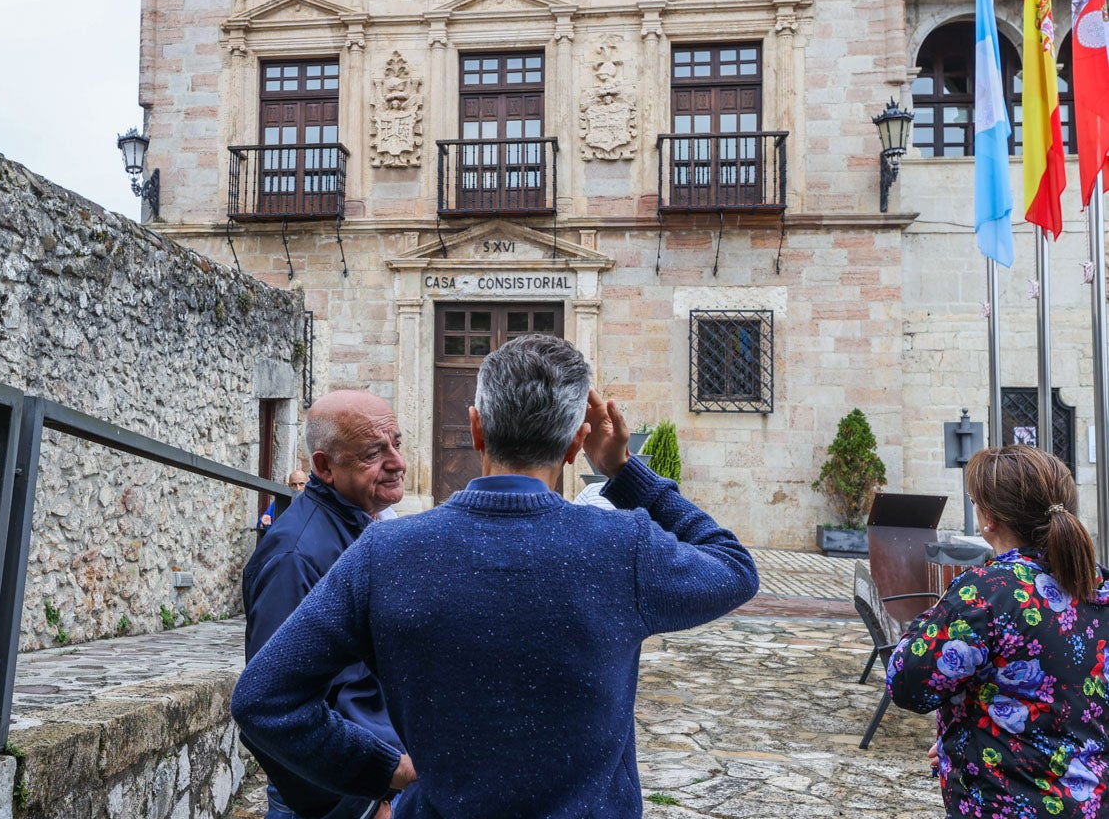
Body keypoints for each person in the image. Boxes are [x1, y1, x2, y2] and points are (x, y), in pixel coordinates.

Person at [231, 334, 759, 819]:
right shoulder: (623, 548)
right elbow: (734, 567)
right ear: (577, 445)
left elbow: (264, 698)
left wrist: (381, 770)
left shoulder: (385, 552)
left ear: (476, 427)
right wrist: (624, 471)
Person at [887, 445, 1109, 819]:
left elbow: (907, 682)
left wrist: (933, 619)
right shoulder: (1098, 584)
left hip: (1002, 806)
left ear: (988, 518)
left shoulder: (987, 593)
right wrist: (964, 731)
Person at [241, 390, 407, 819]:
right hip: (337, 799)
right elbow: (272, 708)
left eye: (397, 443)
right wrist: (367, 802)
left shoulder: (370, 525)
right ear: (323, 467)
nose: (397, 462)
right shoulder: (295, 556)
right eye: (375, 451)